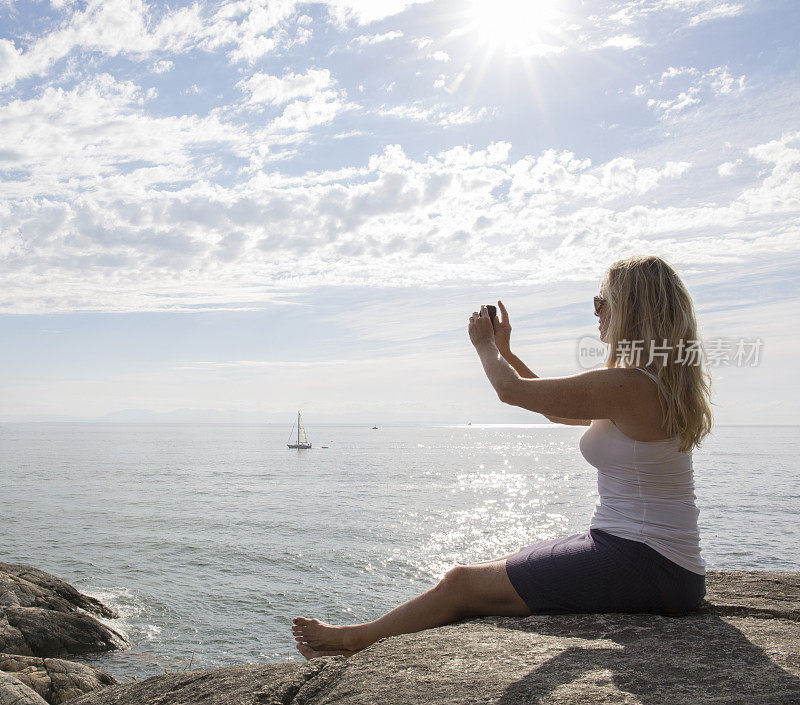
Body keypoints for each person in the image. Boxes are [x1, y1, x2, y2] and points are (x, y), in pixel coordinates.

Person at [292, 255, 712, 659]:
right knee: (499, 565)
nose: (597, 313)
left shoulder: (627, 385)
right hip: (656, 559)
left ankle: (353, 641)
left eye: (602, 303)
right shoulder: (649, 383)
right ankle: (361, 639)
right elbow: (558, 410)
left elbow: (511, 392)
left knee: (461, 584)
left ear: (633, 310)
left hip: (641, 560)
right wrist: (506, 352)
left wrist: (482, 346)